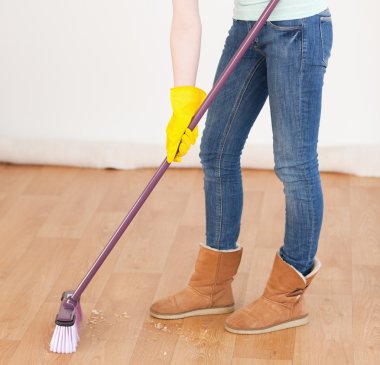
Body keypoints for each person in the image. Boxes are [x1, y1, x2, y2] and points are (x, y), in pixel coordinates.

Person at [150, 0, 333, 334]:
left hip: (299, 27)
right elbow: (185, 18)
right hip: (246, 28)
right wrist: (182, 103)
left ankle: (286, 296)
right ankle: (212, 286)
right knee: (217, 151)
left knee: (294, 163)